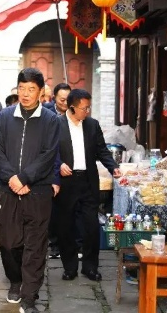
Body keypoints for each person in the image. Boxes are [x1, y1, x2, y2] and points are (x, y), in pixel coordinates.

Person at [0, 68, 60, 313]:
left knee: (35, 246)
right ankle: (15, 280)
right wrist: (12, 178)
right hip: (9, 189)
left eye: (31, 89)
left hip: (37, 191)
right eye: (22, 88)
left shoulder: (51, 120)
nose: (26, 93)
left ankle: (29, 297)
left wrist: (25, 178)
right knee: (9, 243)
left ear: (41, 92)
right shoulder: (4, 117)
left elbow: (48, 155)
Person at [56, 89, 121, 282]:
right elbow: (48, 151)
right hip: (66, 182)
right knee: (66, 226)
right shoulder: (56, 124)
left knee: (91, 226)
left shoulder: (92, 125)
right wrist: (58, 165)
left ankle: (90, 267)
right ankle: (69, 267)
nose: (87, 111)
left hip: (88, 181)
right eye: (84, 108)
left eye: (88, 107)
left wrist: (113, 168)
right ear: (72, 108)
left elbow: (102, 150)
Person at [45, 82, 72, 260]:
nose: (65, 103)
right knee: (53, 210)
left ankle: (68, 243)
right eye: (62, 100)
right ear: (54, 98)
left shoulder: (75, 113)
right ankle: (53, 243)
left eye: (68, 100)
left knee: (68, 209)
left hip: (70, 168)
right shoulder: (46, 113)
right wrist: (58, 163)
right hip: (51, 167)